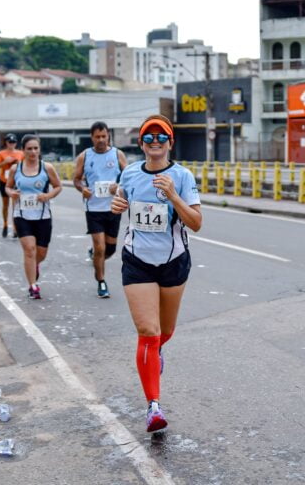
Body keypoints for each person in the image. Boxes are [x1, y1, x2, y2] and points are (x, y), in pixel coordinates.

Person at [110, 114, 202, 433]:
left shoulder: (183, 175)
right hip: (137, 260)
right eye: (148, 138)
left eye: (161, 137)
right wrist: (116, 206)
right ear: (141, 144)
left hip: (174, 259)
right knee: (148, 332)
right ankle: (153, 407)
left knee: (165, 332)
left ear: (170, 143)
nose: (154, 143)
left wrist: (174, 195)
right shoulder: (131, 173)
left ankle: (157, 350)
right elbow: (121, 201)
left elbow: (196, 223)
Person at [73, 121, 127, 298]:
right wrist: (83, 189)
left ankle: (96, 255)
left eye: (104, 136)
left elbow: (128, 178)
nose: (101, 140)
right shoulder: (84, 156)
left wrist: (117, 186)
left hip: (113, 208)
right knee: (100, 247)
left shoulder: (117, 154)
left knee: (109, 250)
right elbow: (77, 179)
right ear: (92, 137)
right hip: (94, 209)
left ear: (108, 136)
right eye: (97, 137)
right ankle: (101, 281)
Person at [5, 135, 62, 299]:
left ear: (39, 150)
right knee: (29, 250)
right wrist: (12, 193)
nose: (33, 151)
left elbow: (58, 186)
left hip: (43, 216)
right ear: (23, 150)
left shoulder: (47, 168)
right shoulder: (16, 169)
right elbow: (8, 187)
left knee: (41, 253)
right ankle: (33, 286)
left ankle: (34, 265)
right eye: (29, 148)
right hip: (22, 215)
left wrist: (48, 195)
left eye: (36, 148)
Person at [0, 134, 25, 238]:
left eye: (13, 142)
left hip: (16, 182)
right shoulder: (1, 153)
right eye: (9, 142)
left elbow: (26, 166)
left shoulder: (21, 153)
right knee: (5, 205)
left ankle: (15, 229)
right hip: (4, 181)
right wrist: (5, 162)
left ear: (16, 143)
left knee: (15, 206)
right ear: (6, 143)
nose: (11, 144)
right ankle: (5, 224)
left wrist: (19, 163)